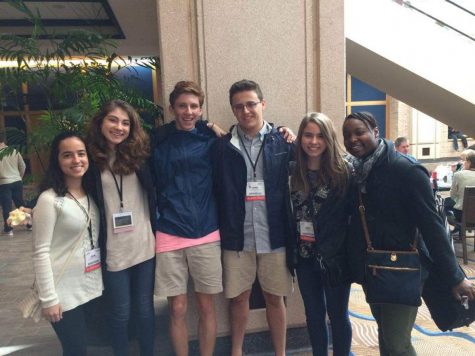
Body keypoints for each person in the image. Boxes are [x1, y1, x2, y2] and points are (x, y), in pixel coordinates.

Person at [342, 112, 475, 356]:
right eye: (347, 135)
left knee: (396, 344)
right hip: (374, 270)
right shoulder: (358, 172)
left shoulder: (405, 170)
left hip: (404, 269)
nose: (353, 139)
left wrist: (455, 276)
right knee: (387, 336)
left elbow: (432, 226)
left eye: (359, 132)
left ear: (375, 131)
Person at [212, 79, 294, 356]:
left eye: (251, 104)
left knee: (275, 296)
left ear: (263, 104)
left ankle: (280, 352)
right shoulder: (222, 147)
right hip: (238, 236)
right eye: (239, 106)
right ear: (233, 110)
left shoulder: (282, 141)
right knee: (238, 298)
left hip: (275, 234)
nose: (246, 110)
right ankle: (237, 351)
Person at [151, 81, 225, 356]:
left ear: (201, 109)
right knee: (177, 307)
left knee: (206, 306)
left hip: (206, 231)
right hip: (169, 231)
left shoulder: (211, 139)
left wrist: (282, 132)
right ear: (172, 108)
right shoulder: (157, 140)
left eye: (194, 106)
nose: (188, 111)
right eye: (182, 106)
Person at [87, 100, 157, 356]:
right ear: (101, 123)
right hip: (113, 248)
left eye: (125, 123)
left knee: (145, 309)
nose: (119, 127)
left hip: (144, 244)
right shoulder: (89, 159)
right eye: (113, 120)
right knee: (120, 312)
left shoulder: (140, 155)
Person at [32, 132, 103, 355]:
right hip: (63, 292)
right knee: (75, 350)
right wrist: (49, 299)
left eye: (81, 154)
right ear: (57, 160)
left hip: (90, 288)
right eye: (67, 155)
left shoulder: (91, 192)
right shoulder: (49, 199)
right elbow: (40, 252)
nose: (76, 160)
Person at [290, 113, 352, 356]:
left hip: (335, 257)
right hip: (305, 256)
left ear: (328, 139)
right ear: (300, 138)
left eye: (319, 136)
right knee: (314, 316)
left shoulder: (343, 172)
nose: (313, 141)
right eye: (308, 135)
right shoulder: (294, 171)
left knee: (338, 315)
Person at [0, 131, 26, 236]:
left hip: (4, 183)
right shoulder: (14, 151)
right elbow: (23, 166)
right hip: (17, 181)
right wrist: (19, 177)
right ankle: (29, 225)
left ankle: (8, 228)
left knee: (7, 206)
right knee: (20, 204)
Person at [449, 149, 475, 223]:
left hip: (462, 214)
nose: (463, 163)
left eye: (464, 161)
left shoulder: (459, 175)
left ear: (469, 162)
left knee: (445, 205)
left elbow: (452, 195)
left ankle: (457, 229)